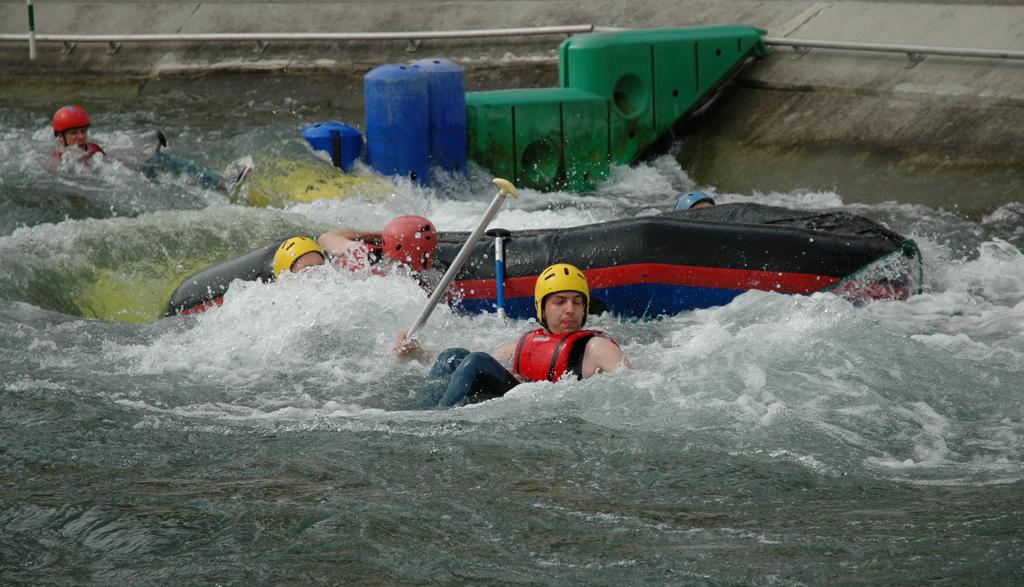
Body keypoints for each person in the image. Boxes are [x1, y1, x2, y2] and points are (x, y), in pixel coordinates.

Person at [394, 262, 631, 408]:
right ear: (542, 308)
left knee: (477, 360)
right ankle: (422, 414)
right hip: (521, 398)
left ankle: (438, 420)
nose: (570, 309)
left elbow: (638, 385)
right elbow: (466, 367)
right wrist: (418, 353)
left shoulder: (595, 347)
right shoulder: (527, 342)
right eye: (559, 302)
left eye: (577, 303)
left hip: (543, 407)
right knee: (452, 356)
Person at [273, 214, 438, 277]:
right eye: (308, 269)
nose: (318, 272)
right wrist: (383, 235)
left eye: (319, 265)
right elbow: (326, 238)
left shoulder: (362, 263)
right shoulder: (360, 258)